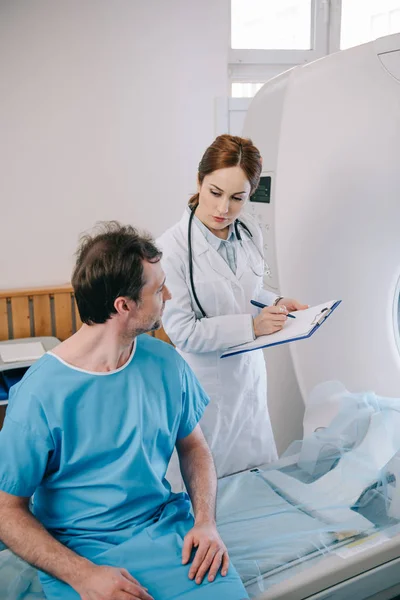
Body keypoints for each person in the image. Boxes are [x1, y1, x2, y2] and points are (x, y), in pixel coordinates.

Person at [0, 222, 249, 600]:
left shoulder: (166, 363)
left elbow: (194, 447)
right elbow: (6, 511)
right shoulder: (38, 396)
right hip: (81, 553)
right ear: (124, 305)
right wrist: (82, 575)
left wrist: (205, 522)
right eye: (158, 288)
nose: (168, 294)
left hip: (166, 533)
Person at [157, 134, 307, 486]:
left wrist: (277, 303)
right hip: (203, 386)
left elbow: (249, 289)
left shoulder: (249, 231)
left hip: (249, 379)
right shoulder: (171, 249)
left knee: (257, 484)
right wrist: (252, 327)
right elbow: (184, 331)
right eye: (215, 192)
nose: (223, 208)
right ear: (199, 181)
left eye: (237, 198)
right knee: (203, 491)